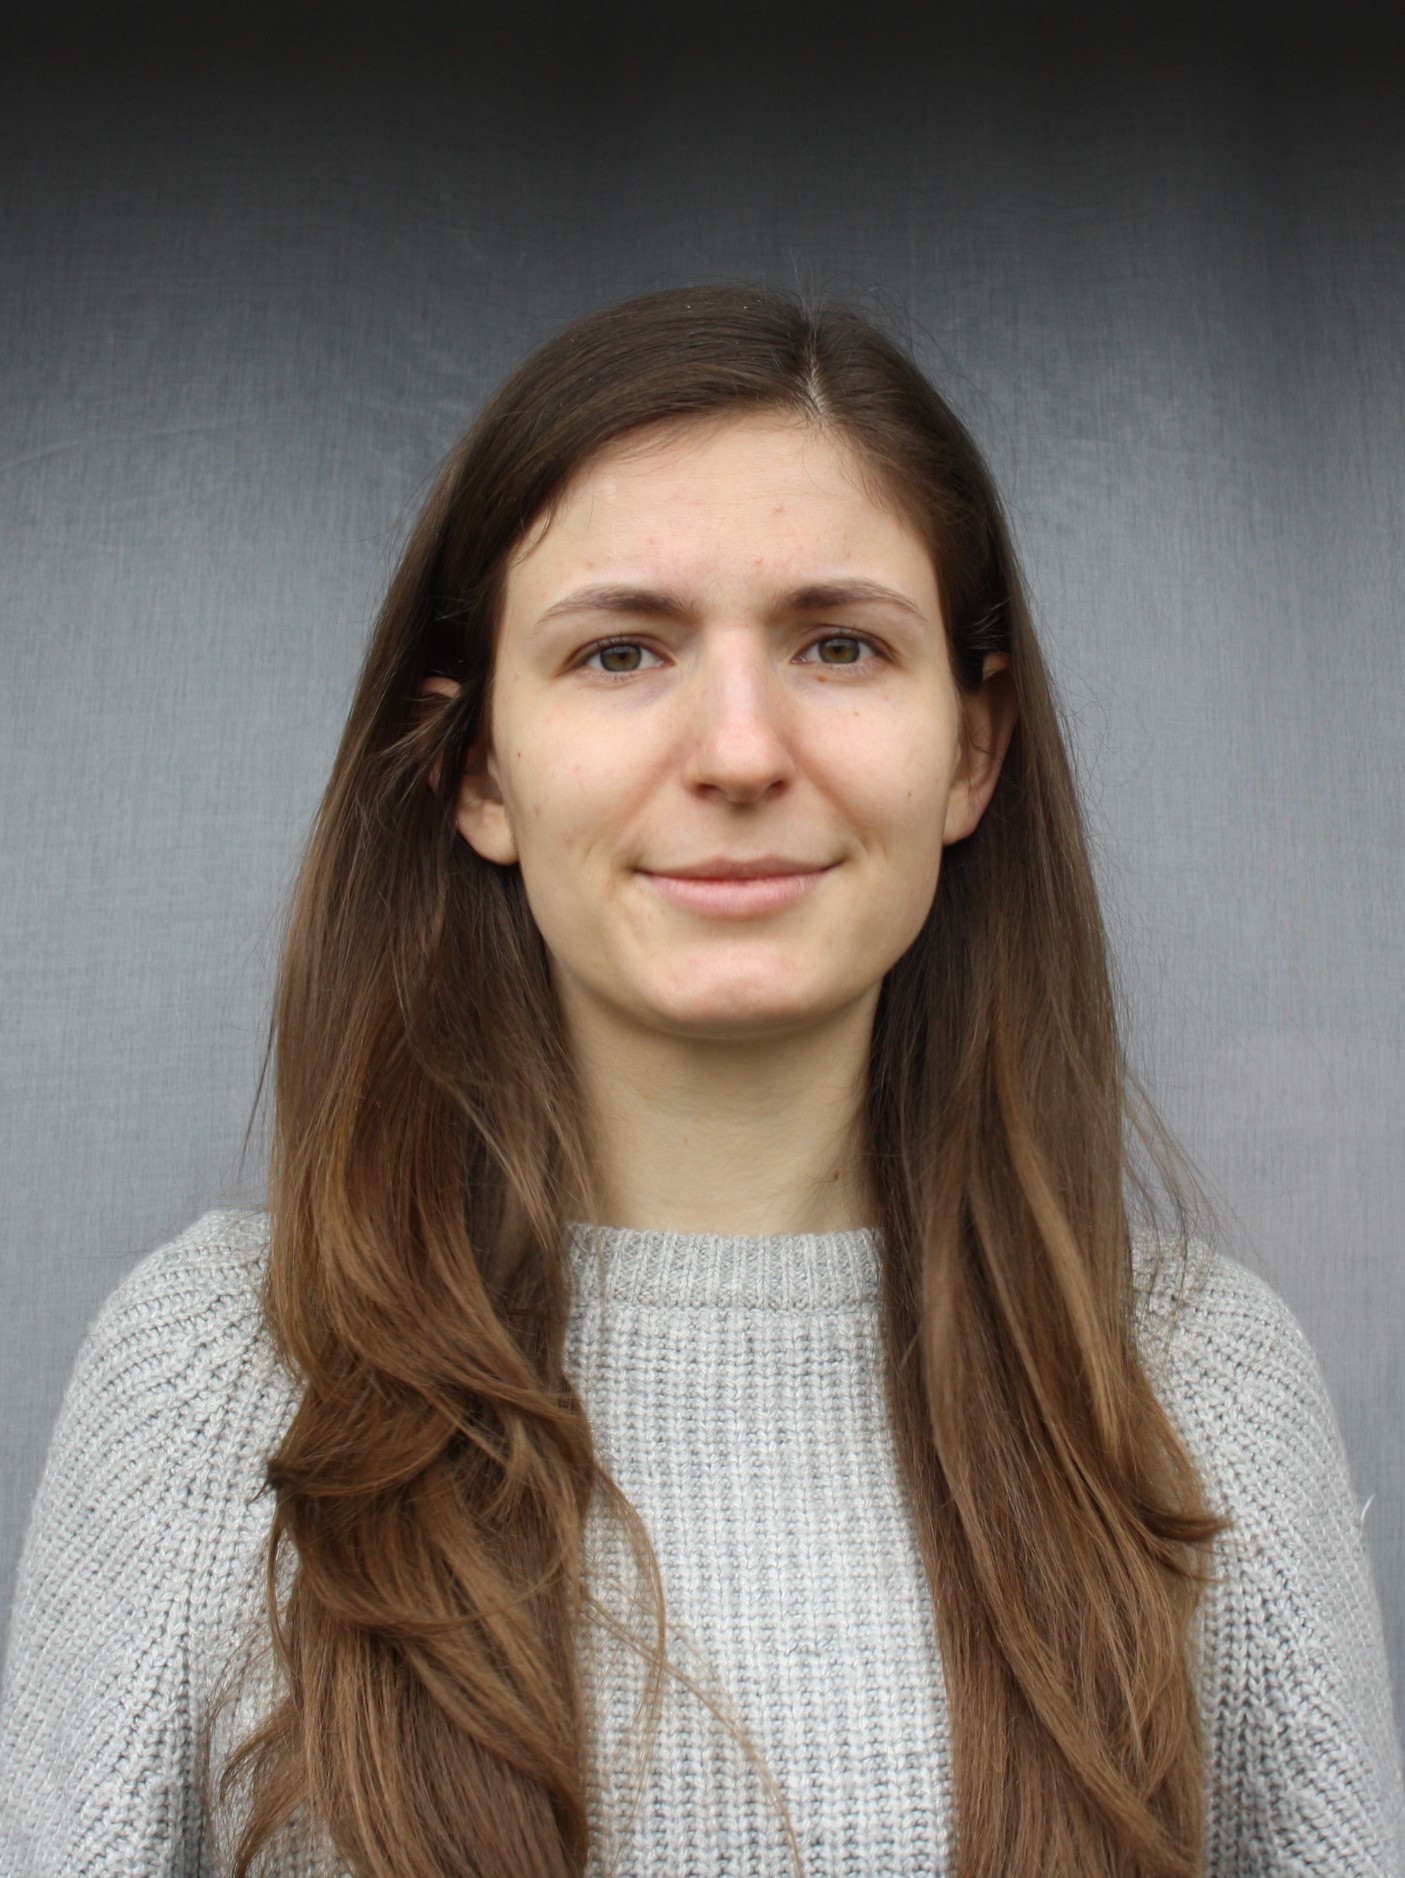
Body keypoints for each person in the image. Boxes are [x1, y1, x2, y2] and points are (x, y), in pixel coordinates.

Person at [1, 284, 1401, 1878]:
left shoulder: (1191, 1392)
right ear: (475, 769)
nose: (739, 750)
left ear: (970, 748)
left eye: (838, 644)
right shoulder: (215, 1383)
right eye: (620, 651)